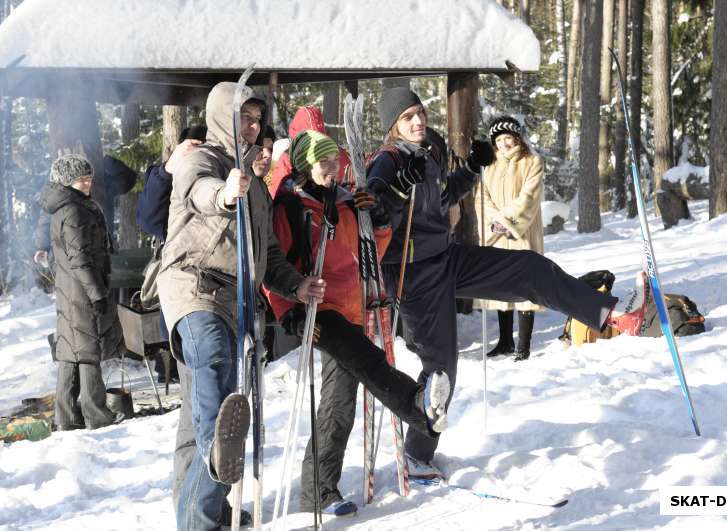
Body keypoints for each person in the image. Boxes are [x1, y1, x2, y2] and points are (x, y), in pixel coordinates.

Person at [366, 87, 653, 479]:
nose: (418, 121)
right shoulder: (387, 161)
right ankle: (417, 456)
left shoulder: (427, 153)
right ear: (393, 126)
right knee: (441, 373)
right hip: (411, 274)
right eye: (407, 117)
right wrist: (398, 188)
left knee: (529, 269)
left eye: (419, 112)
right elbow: (375, 215)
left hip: (447, 258)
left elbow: (442, 196)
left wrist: (469, 170)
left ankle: (611, 314)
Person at [156, 81, 321, 531]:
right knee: (213, 363)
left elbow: (267, 256)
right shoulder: (200, 159)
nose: (251, 127)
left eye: (255, 120)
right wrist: (226, 194)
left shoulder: (259, 189)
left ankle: (200, 517)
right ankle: (215, 468)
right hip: (194, 286)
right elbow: (199, 190)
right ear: (221, 118)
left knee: (203, 417)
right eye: (243, 118)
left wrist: (297, 285)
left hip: (237, 299)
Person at [266, 130, 450, 517]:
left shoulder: (347, 202)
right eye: (322, 161)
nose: (331, 168)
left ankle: (319, 491)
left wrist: (377, 218)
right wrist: (290, 313)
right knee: (368, 364)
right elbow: (274, 264)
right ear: (303, 165)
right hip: (315, 310)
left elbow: (371, 251)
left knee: (339, 403)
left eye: (335, 160)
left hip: (352, 308)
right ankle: (417, 405)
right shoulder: (290, 208)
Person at [39, 154, 126, 431]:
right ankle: (96, 414)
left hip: (70, 289)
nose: (88, 183)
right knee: (88, 351)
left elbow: (62, 257)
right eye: (81, 179)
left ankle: (65, 417)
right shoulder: (74, 211)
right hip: (82, 291)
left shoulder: (67, 208)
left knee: (70, 351)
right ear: (67, 182)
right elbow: (80, 259)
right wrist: (97, 293)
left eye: (89, 178)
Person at [475, 115, 544, 362]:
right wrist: (495, 222)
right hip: (498, 234)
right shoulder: (490, 165)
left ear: (517, 138)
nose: (505, 143)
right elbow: (481, 198)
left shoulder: (532, 162)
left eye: (509, 138)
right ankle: (505, 341)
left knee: (526, 287)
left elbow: (529, 197)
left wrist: (507, 222)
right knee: (502, 286)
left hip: (521, 232)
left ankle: (523, 346)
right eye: (500, 139)